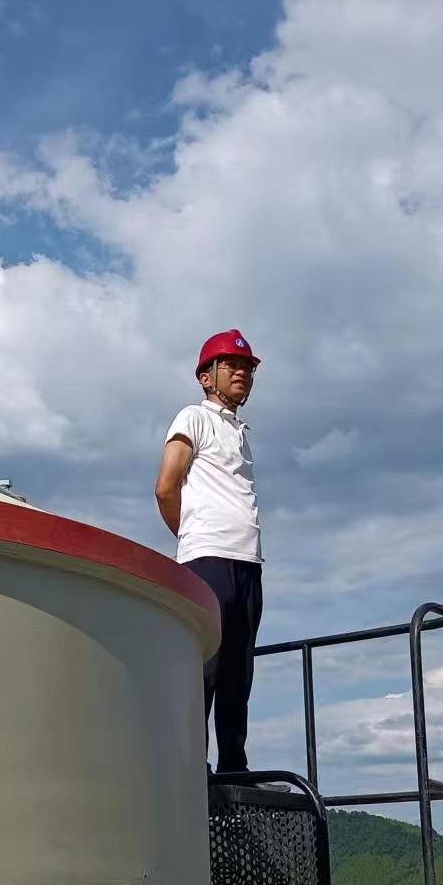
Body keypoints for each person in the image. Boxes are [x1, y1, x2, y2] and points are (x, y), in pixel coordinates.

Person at [155, 330, 262, 775]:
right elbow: (166, 487)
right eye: (231, 365)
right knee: (206, 668)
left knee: (239, 671)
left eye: (247, 367)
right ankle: (190, 771)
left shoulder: (240, 432)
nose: (241, 373)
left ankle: (234, 769)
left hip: (248, 561)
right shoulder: (193, 417)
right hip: (208, 558)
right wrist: (192, 537)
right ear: (206, 377)